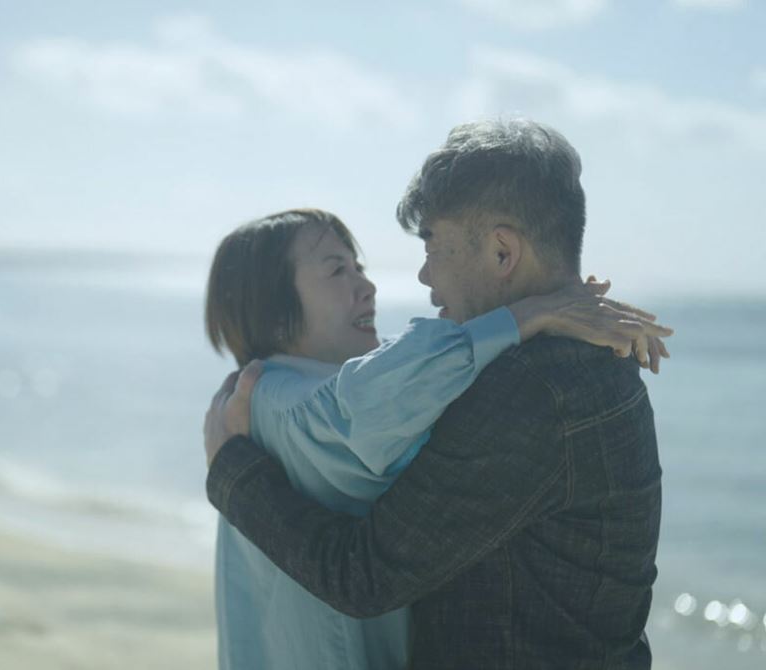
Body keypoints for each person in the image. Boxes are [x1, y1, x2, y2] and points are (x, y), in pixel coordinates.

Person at [204, 119, 666, 668]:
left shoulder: (532, 390)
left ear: (502, 252)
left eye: (432, 244)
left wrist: (232, 472)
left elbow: (363, 574)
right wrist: (538, 310)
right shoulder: (563, 363)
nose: (423, 275)